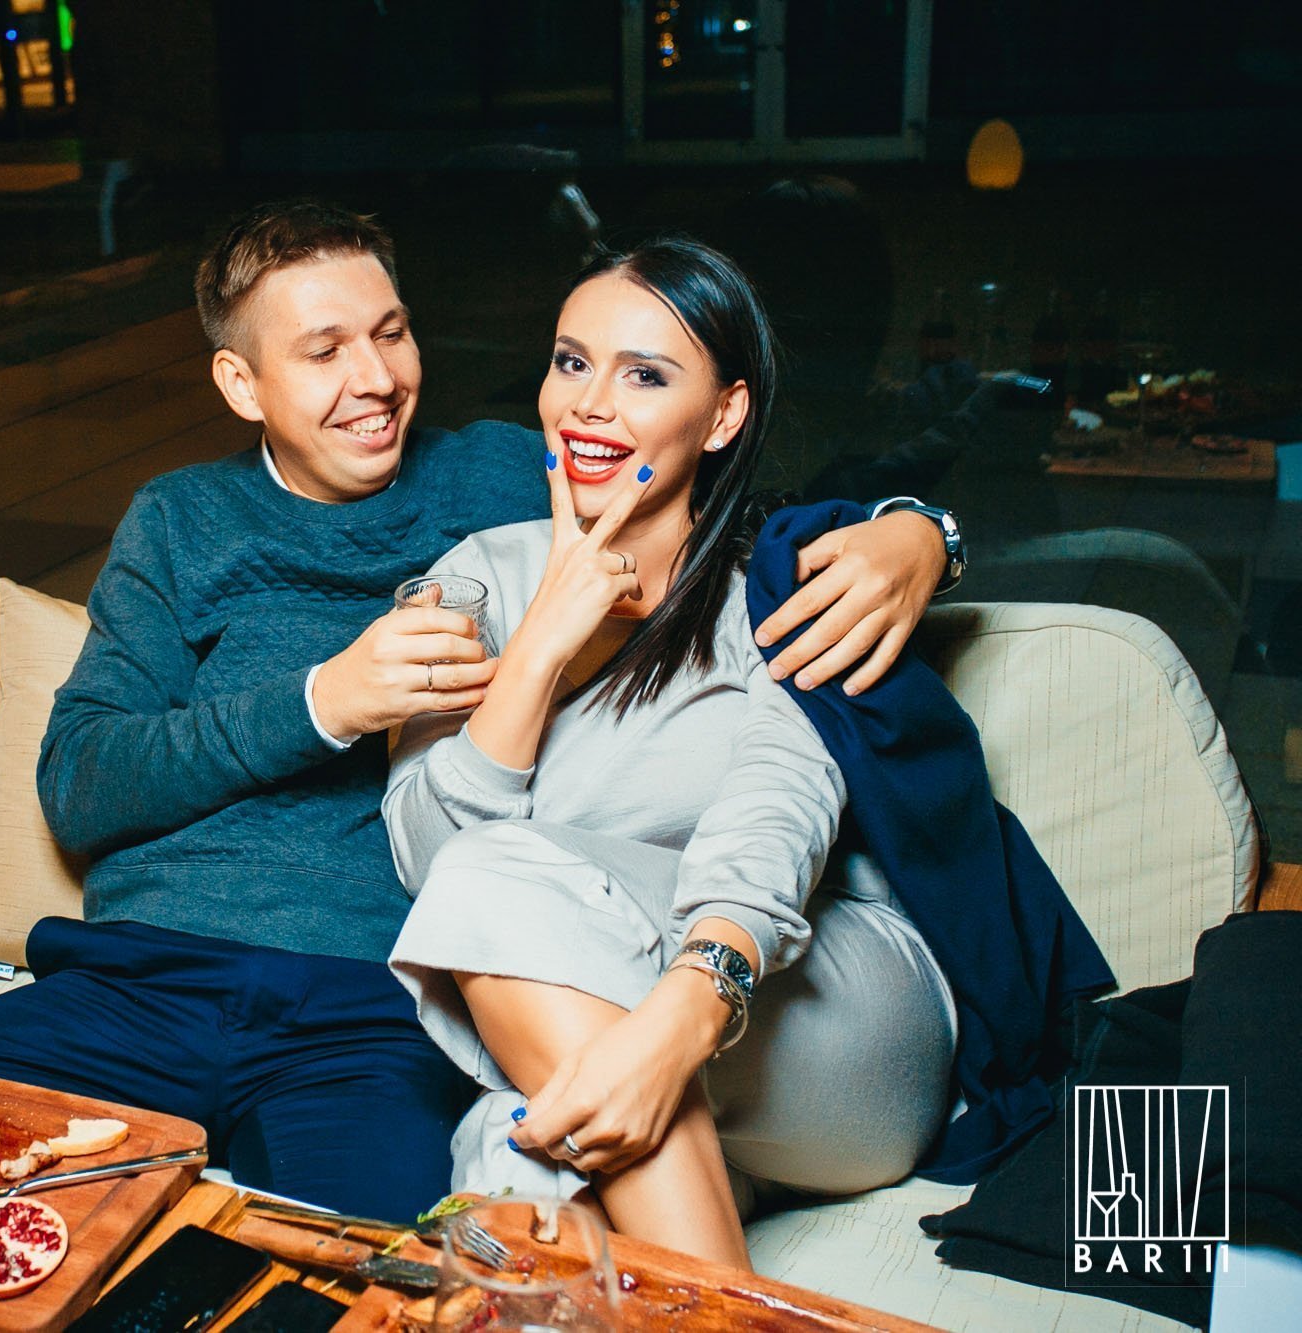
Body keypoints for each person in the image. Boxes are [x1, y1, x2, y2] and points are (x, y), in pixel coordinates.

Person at [0, 201, 957, 1217]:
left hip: (371, 1012)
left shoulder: (511, 473)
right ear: (241, 383)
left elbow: (723, 508)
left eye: (390, 333)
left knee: (386, 1276)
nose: (374, 379)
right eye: (323, 351)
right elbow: (79, 783)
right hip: (138, 983)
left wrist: (919, 534)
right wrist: (327, 700)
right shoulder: (181, 521)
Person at [384, 239, 957, 1267]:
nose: (590, 405)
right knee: (509, 1158)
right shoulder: (477, 578)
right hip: (622, 1047)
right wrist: (539, 645)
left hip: (817, 1012)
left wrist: (686, 1011)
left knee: (497, 897)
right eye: (571, 362)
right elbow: (431, 873)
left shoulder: (777, 587)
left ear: (723, 415)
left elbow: (778, 809)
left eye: (644, 375)